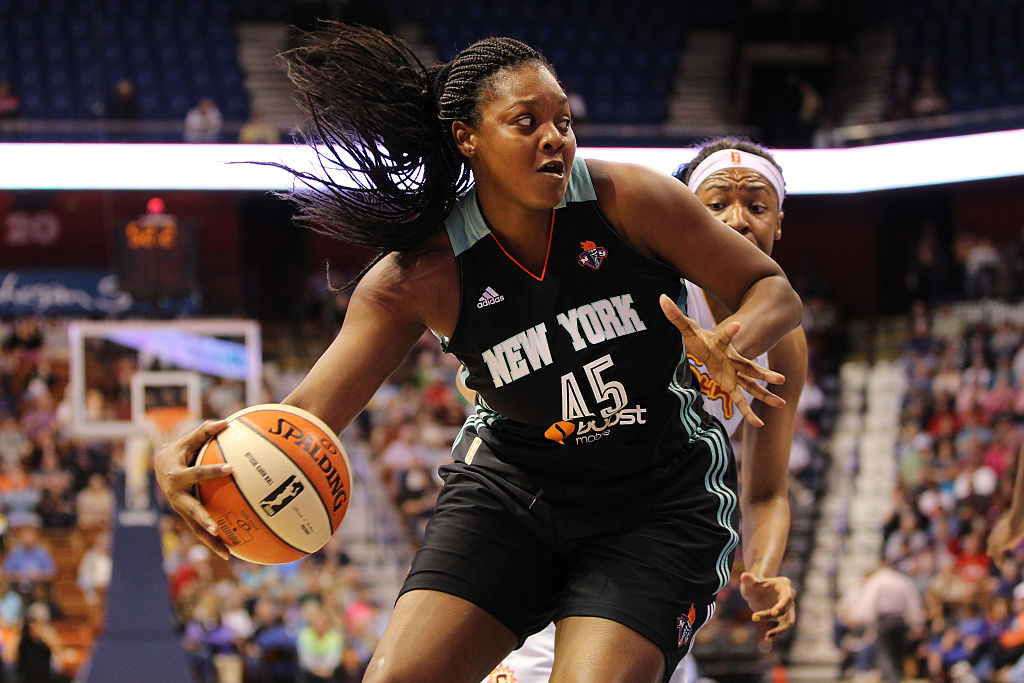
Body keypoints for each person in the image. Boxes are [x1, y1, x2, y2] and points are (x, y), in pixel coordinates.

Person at [156, 23, 802, 683]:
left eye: (563, 121)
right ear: (467, 137)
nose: (555, 137)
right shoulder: (418, 276)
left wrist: (733, 337)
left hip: (655, 504)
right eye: (526, 122)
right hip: (513, 493)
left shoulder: (629, 199)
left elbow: (773, 290)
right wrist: (196, 460)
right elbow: (301, 418)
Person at [479, 138, 805, 683]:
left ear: (779, 221)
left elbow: (766, 493)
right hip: (574, 519)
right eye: (717, 203)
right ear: (684, 212)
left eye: (756, 205)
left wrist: (764, 572)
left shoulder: (785, 342)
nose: (737, 220)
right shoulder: (647, 286)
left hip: (661, 542)